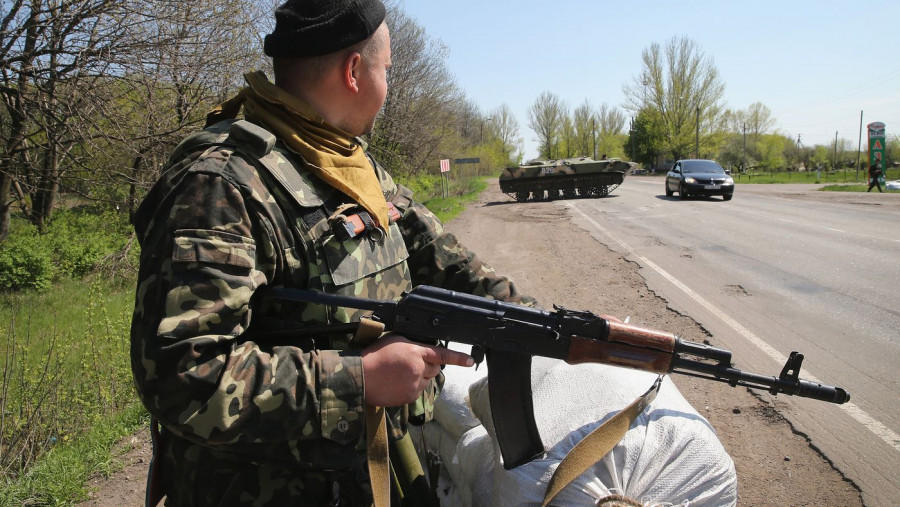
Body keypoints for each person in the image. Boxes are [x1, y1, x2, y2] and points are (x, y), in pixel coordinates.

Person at [129, 0, 536, 505]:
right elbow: (182, 376)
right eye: (387, 70)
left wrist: (548, 325)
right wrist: (360, 380)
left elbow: (441, 257)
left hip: (370, 474)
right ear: (354, 71)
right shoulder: (219, 185)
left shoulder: (344, 161)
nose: (387, 86)